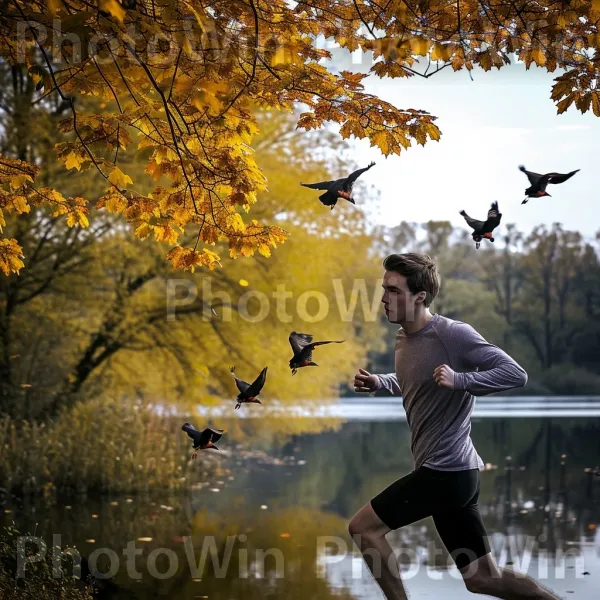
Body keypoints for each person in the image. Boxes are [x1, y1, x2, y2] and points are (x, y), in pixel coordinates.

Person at [350, 253, 561, 600]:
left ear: (420, 296)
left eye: (393, 290)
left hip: (444, 473)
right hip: (456, 475)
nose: (384, 298)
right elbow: (418, 381)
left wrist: (461, 379)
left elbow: (515, 374)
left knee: (363, 528)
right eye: (383, 289)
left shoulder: (453, 334)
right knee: (482, 578)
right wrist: (380, 382)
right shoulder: (404, 337)